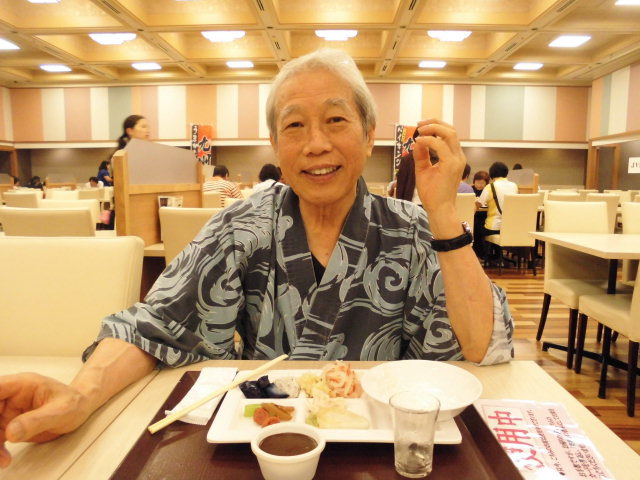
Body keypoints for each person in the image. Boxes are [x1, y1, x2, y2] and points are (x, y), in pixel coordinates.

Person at [0, 49, 514, 467]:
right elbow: (154, 324)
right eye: (295, 126)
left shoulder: (412, 228)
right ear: (274, 143)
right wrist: (81, 396)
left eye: (336, 119)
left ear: (368, 136)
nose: (316, 144)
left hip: (380, 447)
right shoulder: (241, 225)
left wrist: (443, 211)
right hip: (264, 443)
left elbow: (482, 347)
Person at [475, 162, 519, 262]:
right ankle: (496, 255)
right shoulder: (514, 186)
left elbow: (478, 205)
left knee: (477, 225)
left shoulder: (490, 187)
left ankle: (482, 255)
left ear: (491, 174)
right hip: (509, 227)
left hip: (493, 228)